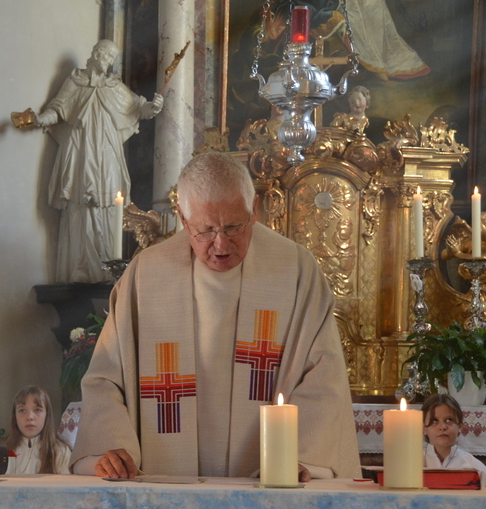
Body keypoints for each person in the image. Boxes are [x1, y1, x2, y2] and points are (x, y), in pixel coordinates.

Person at [71, 152, 361, 479]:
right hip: (164, 483)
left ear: (253, 210)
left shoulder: (294, 269)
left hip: (272, 481)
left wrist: (301, 457)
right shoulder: (146, 274)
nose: (221, 244)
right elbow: (107, 377)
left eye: (234, 227)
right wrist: (112, 448)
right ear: (183, 219)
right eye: (206, 230)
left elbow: (323, 375)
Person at [33, 39, 164, 283]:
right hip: (81, 150)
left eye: (112, 58)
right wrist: (41, 119)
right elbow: (59, 109)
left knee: (108, 202)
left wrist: (154, 108)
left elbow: (138, 109)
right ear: (95, 54)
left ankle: (105, 268)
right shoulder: (75, 81)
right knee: (80, 201)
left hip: (107, 151)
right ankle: (78, 266)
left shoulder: (114, 86)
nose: (108, 61)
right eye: (105, 55)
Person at [422, 394, 486, 509]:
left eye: (449, 420)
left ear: (460, 426)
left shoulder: (476, 469)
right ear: (424, 429)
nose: (442, 427)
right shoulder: (412, 466)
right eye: (434, 421)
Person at [3, 386, 71, 474]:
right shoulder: (2, 452)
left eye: (37, 410)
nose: (30, 417)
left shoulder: (60, 451)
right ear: (15, 417)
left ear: (46, 416)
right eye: (22, 410)